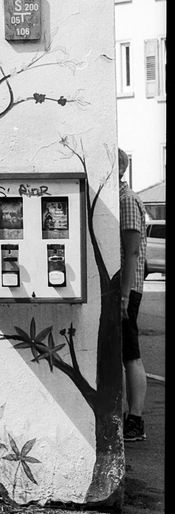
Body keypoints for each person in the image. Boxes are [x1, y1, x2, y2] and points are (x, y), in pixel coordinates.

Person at [118, 149, 149, 443]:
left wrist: (125, 295)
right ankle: (131, 417)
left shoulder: (126, 200)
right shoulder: (123, 197)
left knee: (130, 354)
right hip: (127, 288)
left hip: (128, 288)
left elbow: (131, 251)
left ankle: (136, 419)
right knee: (125, 352)